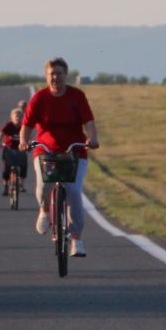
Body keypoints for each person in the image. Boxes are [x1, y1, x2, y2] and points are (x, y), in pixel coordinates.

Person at [20, 57, 100, 258]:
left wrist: (92, 138)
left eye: (59, 73)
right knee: (45, 185)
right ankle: (45, 210)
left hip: (74, 151)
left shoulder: (77, 96)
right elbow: (27, 125)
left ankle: (76, 239)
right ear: (46, 77)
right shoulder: (39, 98)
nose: (55, 77)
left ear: (66, 75)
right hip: (46, 150)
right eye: (51, 74)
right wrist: (24, 141)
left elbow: (89, 122)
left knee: (73, 190)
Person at [0, 103, 28, 194]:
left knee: (24, 166)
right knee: (6, 168)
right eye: (16, 116)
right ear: (12, 117)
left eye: (20, 116)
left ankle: (21, 184)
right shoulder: (9, 125)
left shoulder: (24, 126)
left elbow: (28, 136)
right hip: (9, 148)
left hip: (20, 149)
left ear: (23, 118)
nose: (17, 118)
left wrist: (29, 144)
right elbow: (1, 134)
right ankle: (5, 185)